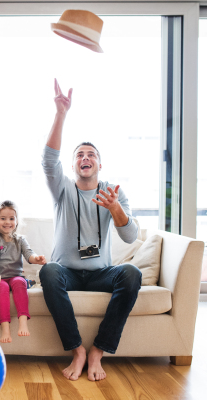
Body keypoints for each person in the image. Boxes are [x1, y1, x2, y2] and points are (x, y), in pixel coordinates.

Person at [40, 79, 141, 382]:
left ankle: (98, 349)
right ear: (73, 166)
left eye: (91, 154)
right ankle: (77, 350)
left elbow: (130, 236)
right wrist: (60, 113)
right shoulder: (63, 190)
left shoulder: (113, 192)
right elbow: (48, 160)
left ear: (100, 163)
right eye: (79, 155)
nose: (85, 158)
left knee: (131, 274)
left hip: (100, 273)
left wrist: (115, 210)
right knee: (49, 272)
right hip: (67, 272)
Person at [0, 200, 46, 343]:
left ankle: (23, 322)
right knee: (3, 287)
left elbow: (29, 255)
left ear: (17, 221)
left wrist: (36, 259)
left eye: (11, 218)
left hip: (15, 276)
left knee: (20, 282)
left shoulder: (20, 240)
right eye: (3, 218)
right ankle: (5, 329)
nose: (8, 222)